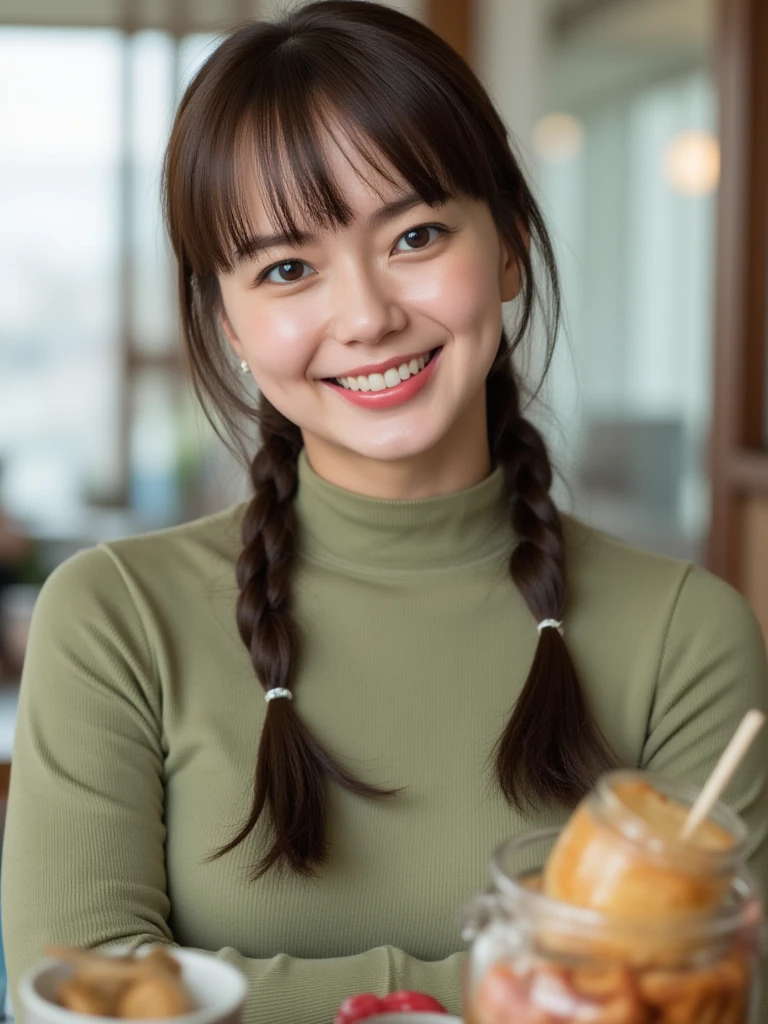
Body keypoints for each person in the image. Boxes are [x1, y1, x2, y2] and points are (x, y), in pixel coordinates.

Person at [3, 3, 768, 1023]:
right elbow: (82, 994)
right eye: (286, 268)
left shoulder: (687, 633)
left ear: (506, 249)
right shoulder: (113, 618)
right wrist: (506, 986)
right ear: (227, 320)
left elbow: (716, 998)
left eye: (414, 235)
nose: (366, 315)